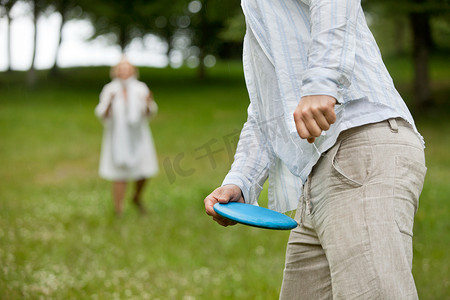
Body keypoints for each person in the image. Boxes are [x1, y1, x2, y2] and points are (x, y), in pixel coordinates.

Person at [204, 0, 427, 299]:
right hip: (319, 175)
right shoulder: (258, 13)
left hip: (358, 147)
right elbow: (266, 111)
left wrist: (322, 82)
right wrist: (241, 179)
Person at [95, 57, 158, 216]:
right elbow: (102, 114)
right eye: (121, 69)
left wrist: (148, 103)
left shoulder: (140, 88)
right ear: (116, 71)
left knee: (143, 171)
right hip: (118, 137)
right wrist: (109, 102)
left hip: (138, 136)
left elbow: (149, 113)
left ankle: (137, 197)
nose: (124, 72)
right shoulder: (110, 89)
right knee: (119, 173)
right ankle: (119, 210)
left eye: (127, 68)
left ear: (132, 71)